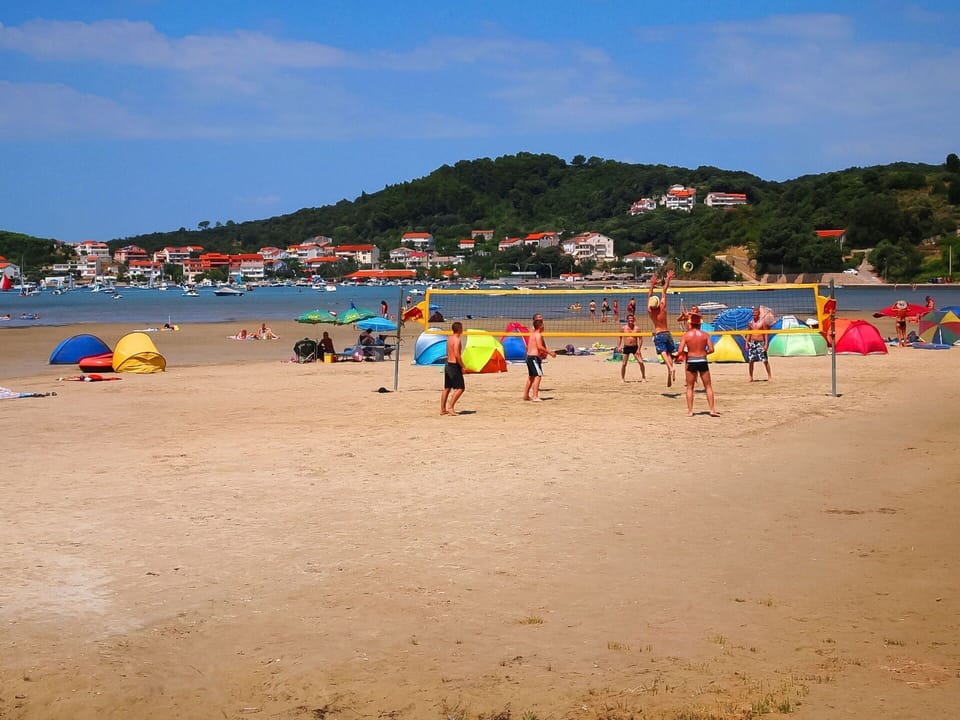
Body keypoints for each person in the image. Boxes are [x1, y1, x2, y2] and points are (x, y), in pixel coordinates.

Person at [675, 313, 719, 417]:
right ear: (699, 324)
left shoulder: (686, 335)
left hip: (691, 361)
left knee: (690, 387)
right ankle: (712, 410)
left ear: (691, 324)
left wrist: (674, 355)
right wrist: (704, 353)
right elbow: (712, 349)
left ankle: (690, 411)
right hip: (702, 360)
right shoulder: (705, 335)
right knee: (708, 386)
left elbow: (680, 351)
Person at [647, 269, 677, 387]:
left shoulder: (650, 312)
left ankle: (670, 368)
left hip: (659, 334)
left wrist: (652, 284)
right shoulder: (663, 308)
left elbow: (649, 296)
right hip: (667, 333)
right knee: (669, 354)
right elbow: (664, 290)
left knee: (663, 352)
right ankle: (670, 370)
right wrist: (668, 278)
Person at [523, 318, 556, 402]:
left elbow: (530, 346)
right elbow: (539, 346)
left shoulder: (532, 334)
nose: (544, 326)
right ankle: (535, 396)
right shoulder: (538, 335)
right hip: (534, 358)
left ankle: (526, 396)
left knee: (531, 377)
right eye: (543, 325)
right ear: (540, 326)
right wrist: (550, 352)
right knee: (538, 376)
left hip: (529, 357)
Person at [441, 321, 465, 415]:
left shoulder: (449, 338)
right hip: (454, 365)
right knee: (460, 388)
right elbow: (457, 354)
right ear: (459, 329)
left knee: (447, 388)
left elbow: (448, 352)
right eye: (461, 328)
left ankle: (443, 409)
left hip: (448, 364)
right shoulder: (457, 339)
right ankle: (450, 407)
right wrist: (462, 366)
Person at [745, 306, 772, 382]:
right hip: (753, 342)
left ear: (759, 314)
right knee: (751, 361)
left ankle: (769, 376)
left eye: (756, 314)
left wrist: (766, 344)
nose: (754, 315)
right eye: (753, 314)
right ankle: (750, 377)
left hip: (761, 342)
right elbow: (749, 334)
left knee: (765, 360)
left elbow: (766, 334)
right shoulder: (750, 323)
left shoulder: (762, 322)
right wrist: (746, 343)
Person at [616, 314, 645, 382]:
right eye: (629, 318)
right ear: (627, 319)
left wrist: (639, 349)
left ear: (634, 320)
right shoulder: (623, 328)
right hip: (626, 347)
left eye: (632, 318)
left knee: (641, 362)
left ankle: (643, 377)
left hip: (635, 347)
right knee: (624, 364)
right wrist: (619, 346)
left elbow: (641, 339)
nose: (631, 320)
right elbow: (619, 337)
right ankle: (622, 379)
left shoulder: (637, 328)